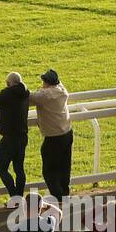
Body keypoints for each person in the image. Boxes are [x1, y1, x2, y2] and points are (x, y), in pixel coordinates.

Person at [31, 69, 74, 201]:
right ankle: (64, 192)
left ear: (47, 83)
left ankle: (57, 196)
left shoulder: (46, 95)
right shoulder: (62, 89)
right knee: (64, 166)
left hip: (54, 137)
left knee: (49, 169)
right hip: (67, 132)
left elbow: (28, 97)